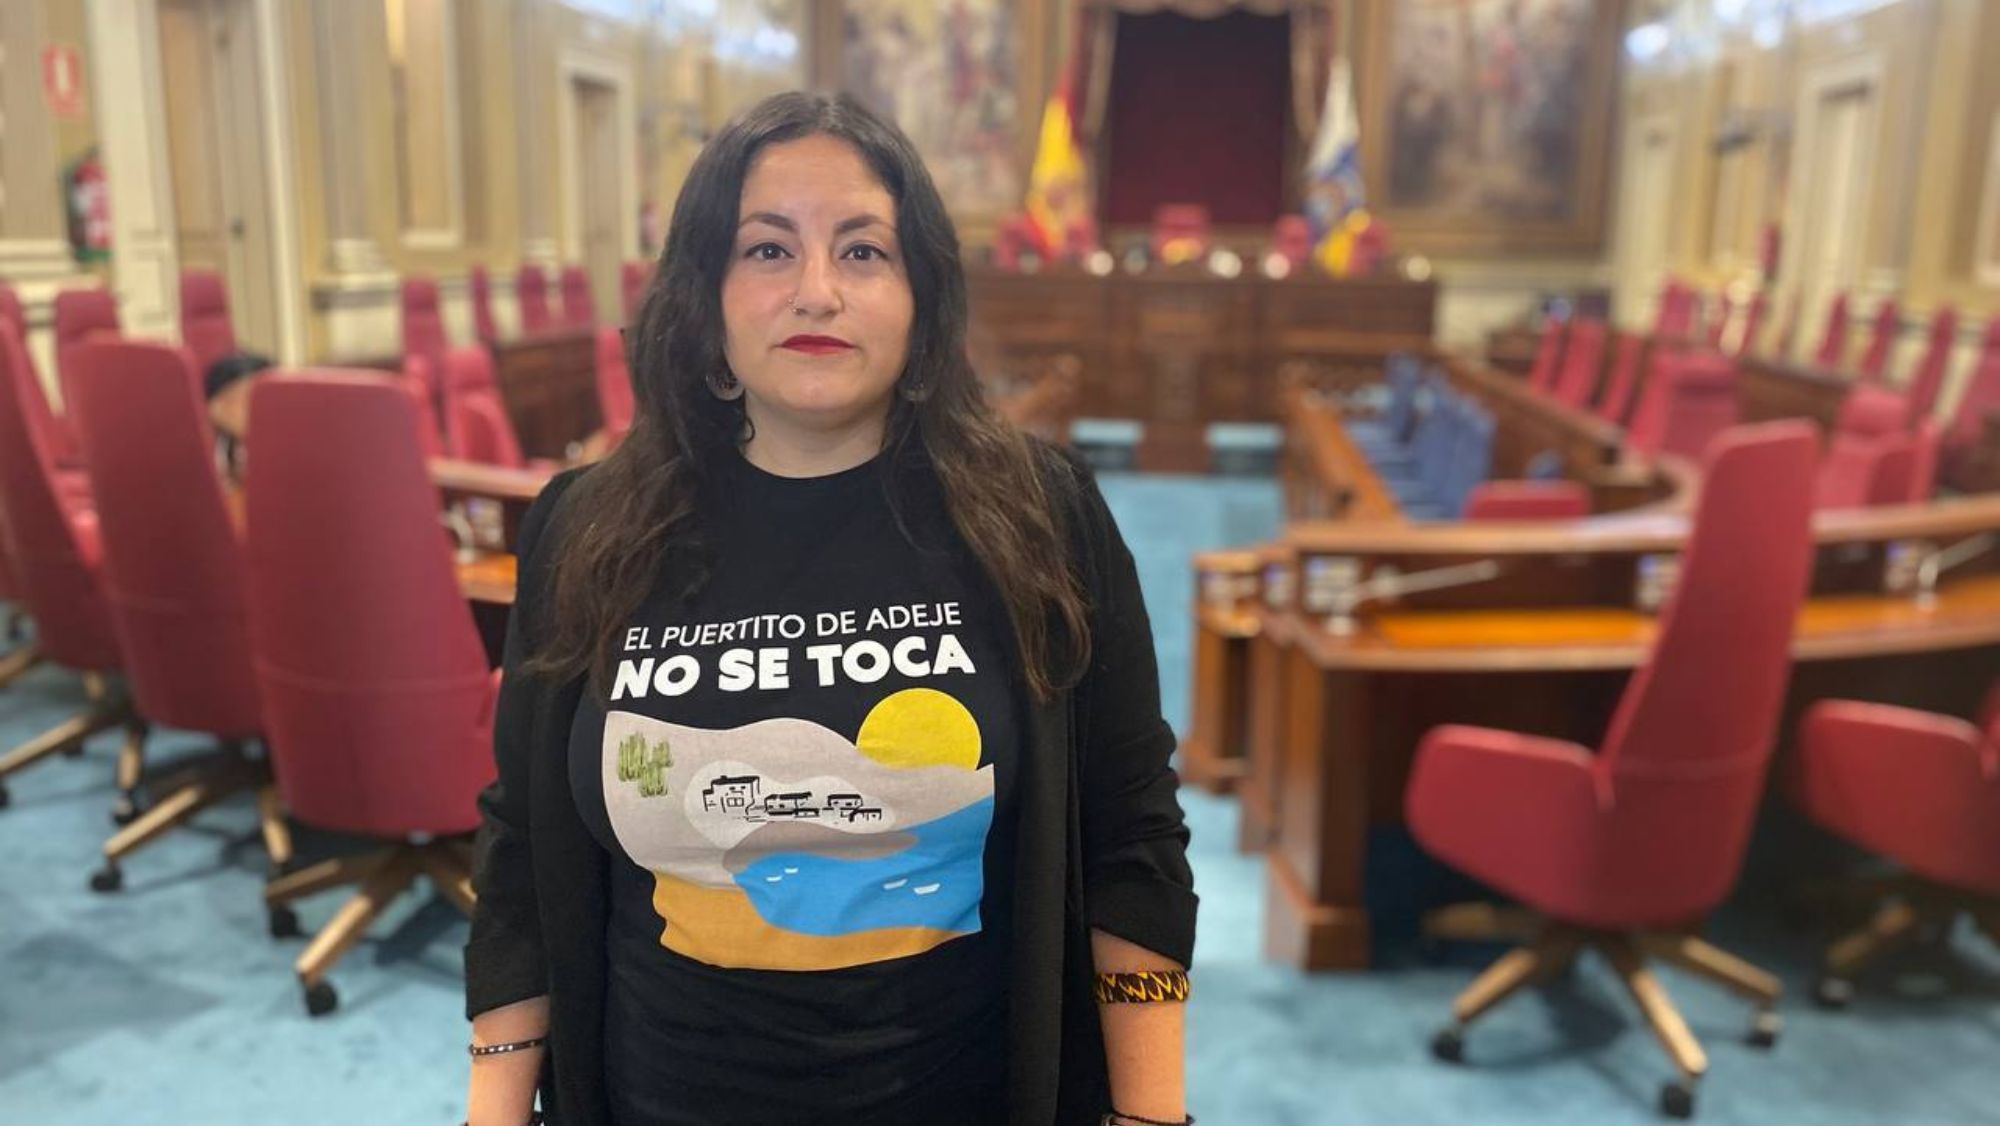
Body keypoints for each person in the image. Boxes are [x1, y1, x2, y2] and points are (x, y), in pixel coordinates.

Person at [463, 91, 1198, 1126]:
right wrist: (493, 1109)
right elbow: (525, 850)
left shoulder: (1041, 516)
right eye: (767, 251)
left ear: (920, 295)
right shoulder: (586, 528)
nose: (816, 291)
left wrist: (1151, 1116)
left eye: (862, 253)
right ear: (705, 293)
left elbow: (1131, 836)